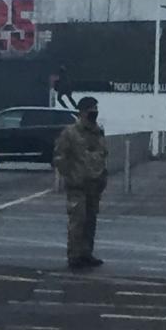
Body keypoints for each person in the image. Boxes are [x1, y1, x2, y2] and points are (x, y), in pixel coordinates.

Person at [53, 96, 108, 269]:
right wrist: (70, 175)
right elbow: (60, 157)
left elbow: (102, 155)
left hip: (94, 184)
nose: (94, 112)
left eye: (95, 108)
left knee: (90, 221)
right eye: (91, 109)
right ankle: (74, 256)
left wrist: (102, 177)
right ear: (82, 112)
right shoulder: (70, 133)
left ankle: (86, 253)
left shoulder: (98, 132)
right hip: (77, 185)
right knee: (78, 221)